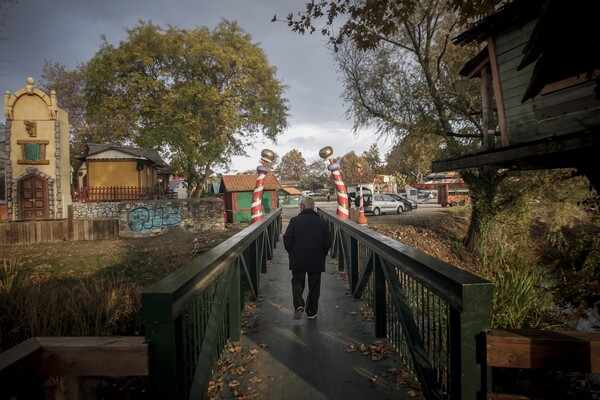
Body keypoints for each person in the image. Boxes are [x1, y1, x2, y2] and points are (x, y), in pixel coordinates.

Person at [283, 196, 332, 320]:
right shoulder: (323, 223)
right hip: (316, 259)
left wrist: (292, 252)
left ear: (303, 207)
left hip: (298, 258)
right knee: (314, 286)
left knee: (297, 282)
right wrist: (323, 253)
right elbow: (328, 242)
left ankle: (299, 305)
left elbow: (287, 239)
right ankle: (311, 311)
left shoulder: (294, 221)